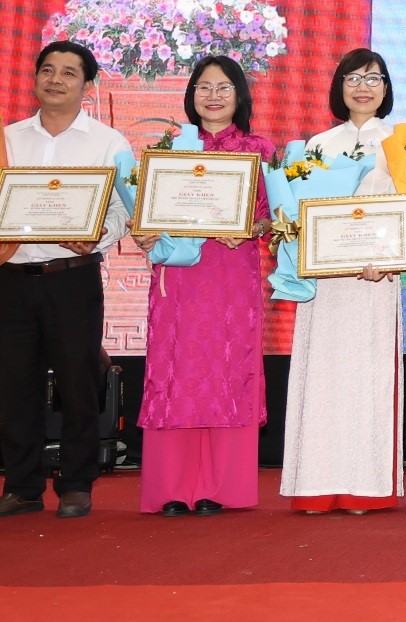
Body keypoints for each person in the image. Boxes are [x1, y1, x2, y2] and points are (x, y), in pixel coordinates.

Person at [0, 41, 131, 520]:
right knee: (15, 386)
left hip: (73, 279)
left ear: (87, 85)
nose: (56, 80)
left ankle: (76, 485)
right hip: (12, 278)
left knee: (78, 384)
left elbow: (122, 212)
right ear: (34, 78)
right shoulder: (4, 140)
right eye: (48, 70)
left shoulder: (109, 143)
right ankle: (22, 487)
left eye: (69, 73)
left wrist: (94, 236)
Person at [136, 56, 274, 516]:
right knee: (176, 369)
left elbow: (273, 219)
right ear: (191, 94)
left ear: (240, 95)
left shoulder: (260, 149)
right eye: (204, 87)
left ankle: (221, 487)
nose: (213, 96)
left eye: (224, 87)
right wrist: (144, 232)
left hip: (231, 275)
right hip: (178, 278)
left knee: (227, 369)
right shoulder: (168, 149)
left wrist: (253, 228)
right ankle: (172, 488)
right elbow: (147, 213)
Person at [280, 49, 404, 514]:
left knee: (368, 379)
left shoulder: (401, 143)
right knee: (322, 379)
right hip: (326, 284)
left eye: (373, 78)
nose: (363, 87)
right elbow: (299, 212)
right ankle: (315, 485)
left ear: (386, 88)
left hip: (375, 280)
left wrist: (389, 260)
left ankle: (364, 487)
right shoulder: (317, 145)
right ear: (339, 87)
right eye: (353, 78)